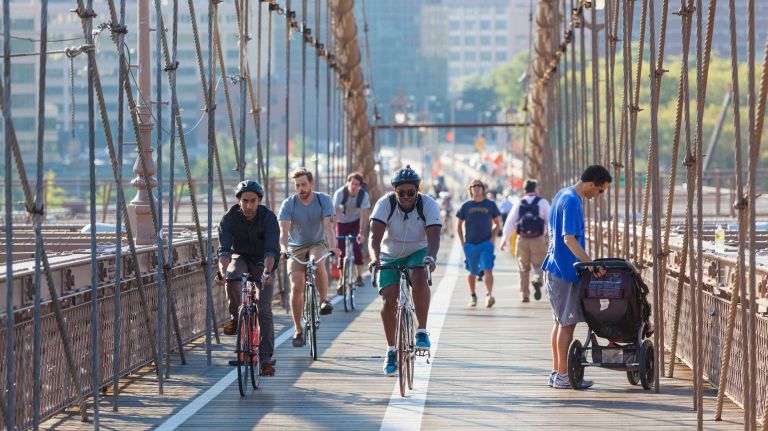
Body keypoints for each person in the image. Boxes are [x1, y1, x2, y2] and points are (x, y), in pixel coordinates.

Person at [542, 165, 612, 389]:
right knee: (568, 325)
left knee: (560, 322)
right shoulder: (573, 201)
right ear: (592, 184)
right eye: (600, 191)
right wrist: (590, 264)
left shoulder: (562, 194)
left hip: (554, 268)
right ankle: (563, 375)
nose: (598, 196)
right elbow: (569, 239)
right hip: (565, 271)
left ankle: (557, 372)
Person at [368, 165, 442, 376]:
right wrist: (374, 260)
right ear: (395, 192)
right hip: (390, 253)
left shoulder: (428, 204)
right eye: (401, 193)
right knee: (388, 300)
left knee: (419, 275)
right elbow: (373, 237)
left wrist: (431, 258)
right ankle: (391, 350)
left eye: (411, 192)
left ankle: (421, 331)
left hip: (418, 250)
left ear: (417, 191)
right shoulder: (385, 204)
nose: (407, 197)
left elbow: (434, 236)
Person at [215, 180, 279, 376]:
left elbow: (270, 250)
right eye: (245, 201)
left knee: (264, 310)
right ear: (238, 201)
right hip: (240, 256)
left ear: (259, 201)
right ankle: (235, 316)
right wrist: (222, 272)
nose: (249, 205)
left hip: (263, 262)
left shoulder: (268, 218)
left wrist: (267, 272)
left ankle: (266, 359)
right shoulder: (229, 219)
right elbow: (224, 251)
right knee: (233, 275)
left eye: (253, 201)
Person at [278, 168, 340, 347]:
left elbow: (328, 228)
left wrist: (334, 248)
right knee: (296, 286)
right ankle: (298, 329)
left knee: (316, 262)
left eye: (304, 184)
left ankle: (323, 300)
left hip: (317, 243)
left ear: (311, 184)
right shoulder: (289, 204)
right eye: (297, 185)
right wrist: (283, 248)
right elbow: (283, 231)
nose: (301, 189)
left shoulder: (324, 200)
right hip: (295, 247)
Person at [501, 179, 550, 302]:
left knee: (523, 267)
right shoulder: (543, 202)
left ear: (524, 190)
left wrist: (503, 240)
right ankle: (537, 280)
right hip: (538, 239)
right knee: (539, 265)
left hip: (522, 239)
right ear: (535, 189)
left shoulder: (519, 203)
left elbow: (510, 222)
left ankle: (524, 294)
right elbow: (550, 222)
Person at [457, 180, 502, 308]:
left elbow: (497, 223)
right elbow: (459, 225)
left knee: (488, 268)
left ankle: (489, 295)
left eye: (479, 186)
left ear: (483, 189)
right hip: (470, 244)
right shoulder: (465, 206)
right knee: (472, 272)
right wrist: (462, 243)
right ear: (470, 189)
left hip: (486, 243)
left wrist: (493, 238)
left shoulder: (490, 205)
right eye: (474, 186)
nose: (476, 188)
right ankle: (473, 295)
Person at [333, 172, 371, 290]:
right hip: (342, 222)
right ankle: (341, 280)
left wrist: (361, 233)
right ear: (348, 183)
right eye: (352, 183)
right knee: (340, 251)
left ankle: (359, 276)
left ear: (360, 186)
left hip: (356, 221)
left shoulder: (363, 195)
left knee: (357, 246)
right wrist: (333, 233)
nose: (354, 186)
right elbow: (334, 213)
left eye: (357, 184)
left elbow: (364, 215)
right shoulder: (340, 193)